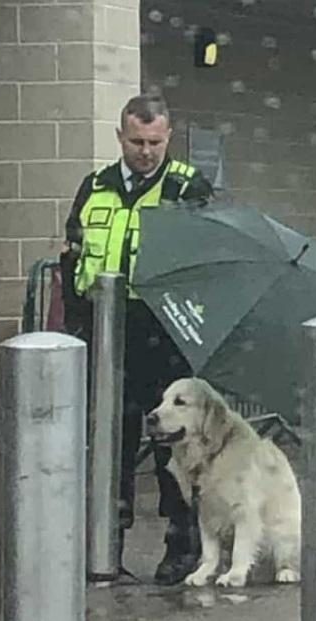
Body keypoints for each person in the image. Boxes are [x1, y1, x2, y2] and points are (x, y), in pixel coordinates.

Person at [61, 94, 214, 585]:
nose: (145, 152)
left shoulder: (187, 187)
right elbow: (75, 255)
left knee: (175, 445)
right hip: (107, 332)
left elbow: (204, 259)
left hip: (165, 333)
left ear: (169, 137)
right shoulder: (96, 187)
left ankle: (181, 545)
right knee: (109, 443)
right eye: (136, 142)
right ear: (120, 137)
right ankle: (105, 546)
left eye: (154, 142)